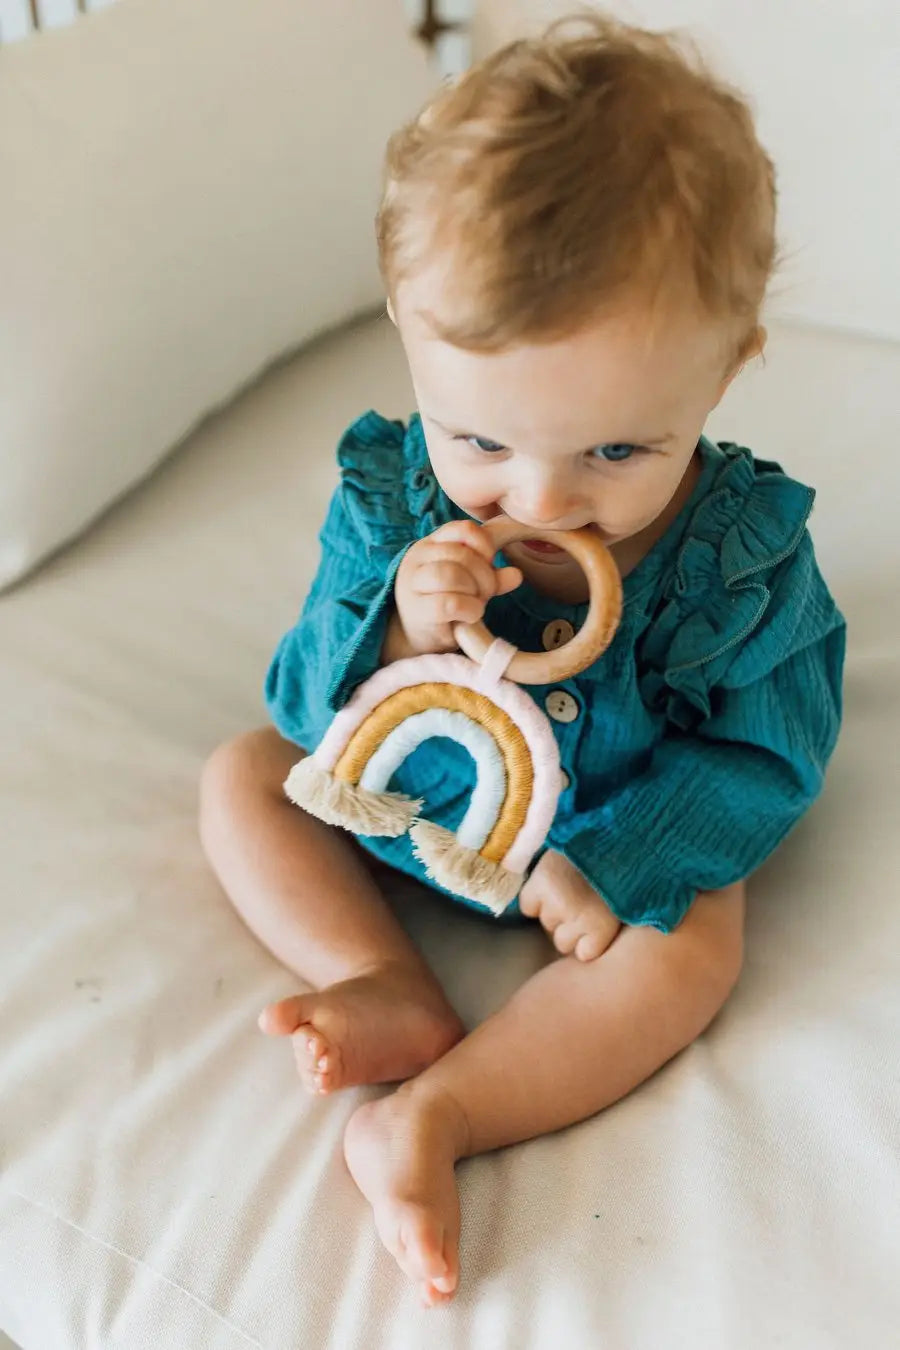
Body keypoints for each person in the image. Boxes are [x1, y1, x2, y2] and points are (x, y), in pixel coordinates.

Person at [199, 13, 845, 1308]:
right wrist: (395, 625)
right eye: (481, 440)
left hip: (592, 843)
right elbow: (301, 699)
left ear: (726, 368)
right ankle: (379, 977)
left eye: (616, 452)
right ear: (409, 335)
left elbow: (770, 749)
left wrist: (627, 862)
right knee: (242, 775)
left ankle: (437, 1113)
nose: (541, 500)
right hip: (407, 800)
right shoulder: (393, 502)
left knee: (697, 941)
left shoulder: (738, 560)